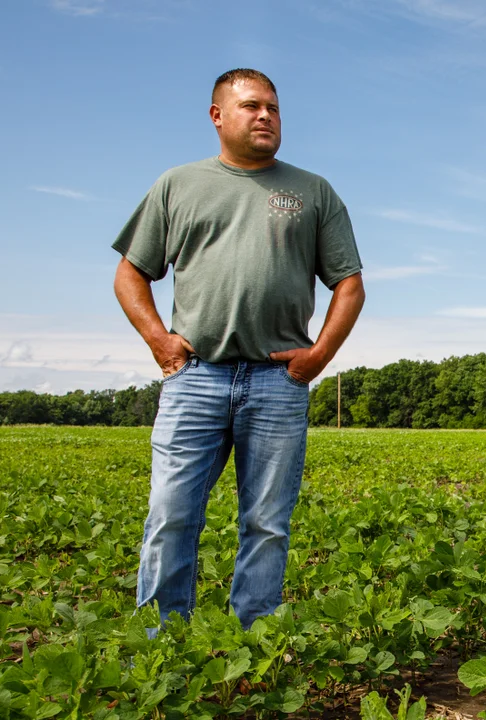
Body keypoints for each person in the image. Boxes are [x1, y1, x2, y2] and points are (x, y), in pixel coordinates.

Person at [112, 68, 365, 631]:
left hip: (278, 382)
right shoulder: (178, 185)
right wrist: (159, 340)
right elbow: (130, 273)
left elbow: (349, 282)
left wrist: (318, 355)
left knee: (268, 523)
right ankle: (163, 642)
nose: (266, 116)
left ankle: (254, 641)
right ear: (217, 116)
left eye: (273, 108)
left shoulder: (312, 191)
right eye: (251, 106)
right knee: (171, 516)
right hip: (196, 376)